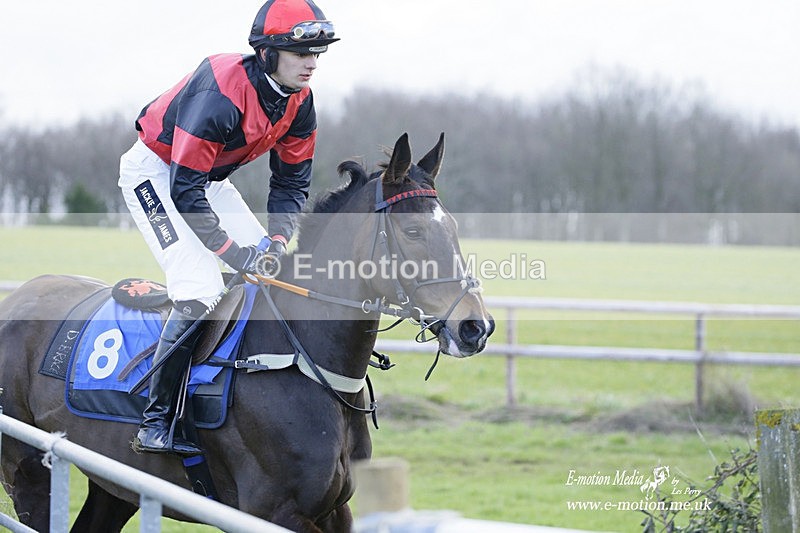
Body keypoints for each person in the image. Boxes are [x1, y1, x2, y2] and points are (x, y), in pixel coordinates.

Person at [119, 0, 339, 455]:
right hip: (158, 176)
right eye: (301, 53)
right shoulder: (221, 93)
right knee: (199, 285)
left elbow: (291, 181)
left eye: (317, 53)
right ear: (267, 53)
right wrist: (231, 253)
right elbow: (184, 192)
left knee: (270, 265)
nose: (312, 63)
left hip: (207, 181)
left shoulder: (301, 103)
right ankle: (155, 420)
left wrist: (277, 239)